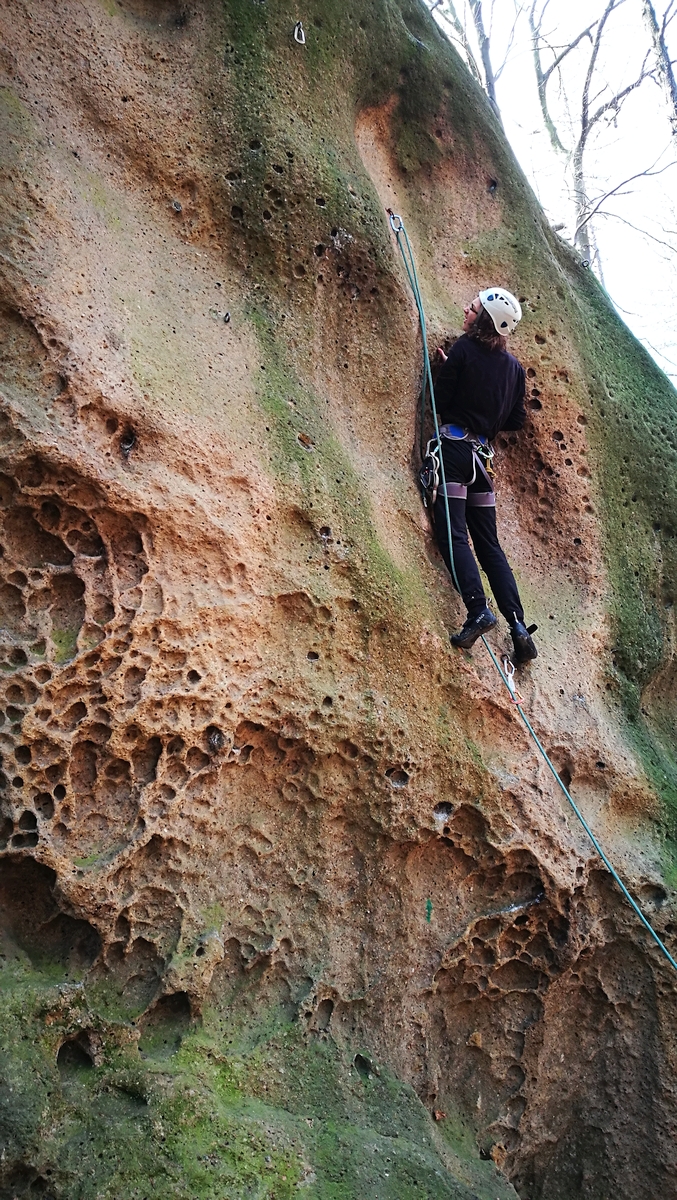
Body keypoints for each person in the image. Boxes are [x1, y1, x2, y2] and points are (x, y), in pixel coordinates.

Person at [432, 287, 537, 663]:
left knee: (453, 532)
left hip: (456, 452)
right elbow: (518, 419)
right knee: (489, 545)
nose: (466, 309)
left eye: (473, 307)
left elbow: (440, 401)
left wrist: (448, 371)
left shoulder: (463, 348)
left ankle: (478, 610)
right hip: (482, 461)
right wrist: (490, 416)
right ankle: (519, 626)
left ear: (483, 319)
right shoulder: (514, 370)